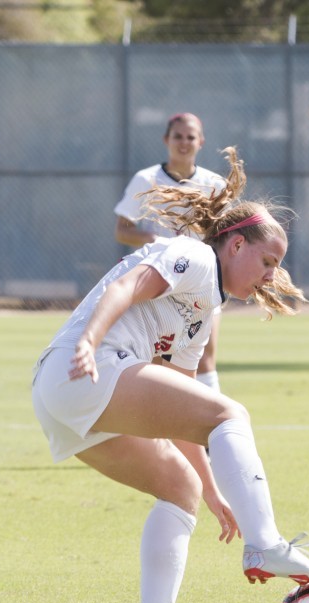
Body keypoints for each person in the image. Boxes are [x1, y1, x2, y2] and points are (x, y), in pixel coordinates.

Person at [34, 147, 309, 603]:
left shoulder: (204, 309)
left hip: (63, 394)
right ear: (235, 245)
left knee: (180, 484)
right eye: (267, 261)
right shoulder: (195, 257)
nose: (270, 275)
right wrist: (89, 340)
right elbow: (127, 286)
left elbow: (179, 413)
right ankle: (266, 544)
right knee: (230, 413)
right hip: (84, 368)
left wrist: (214, 493)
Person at [114, 112, 226, 394]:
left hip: (200, 281)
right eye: (178, 136)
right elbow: (122, 230)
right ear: (166, 140)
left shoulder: (214, 185)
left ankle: (207, 426)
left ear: (201, 142)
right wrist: (154, 240)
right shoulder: (147, 179)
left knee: (204, 359)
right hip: (160, 280)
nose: (184, 142)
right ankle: (159, 429)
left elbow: (224, 235)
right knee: (155, 360)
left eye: (191, 137)